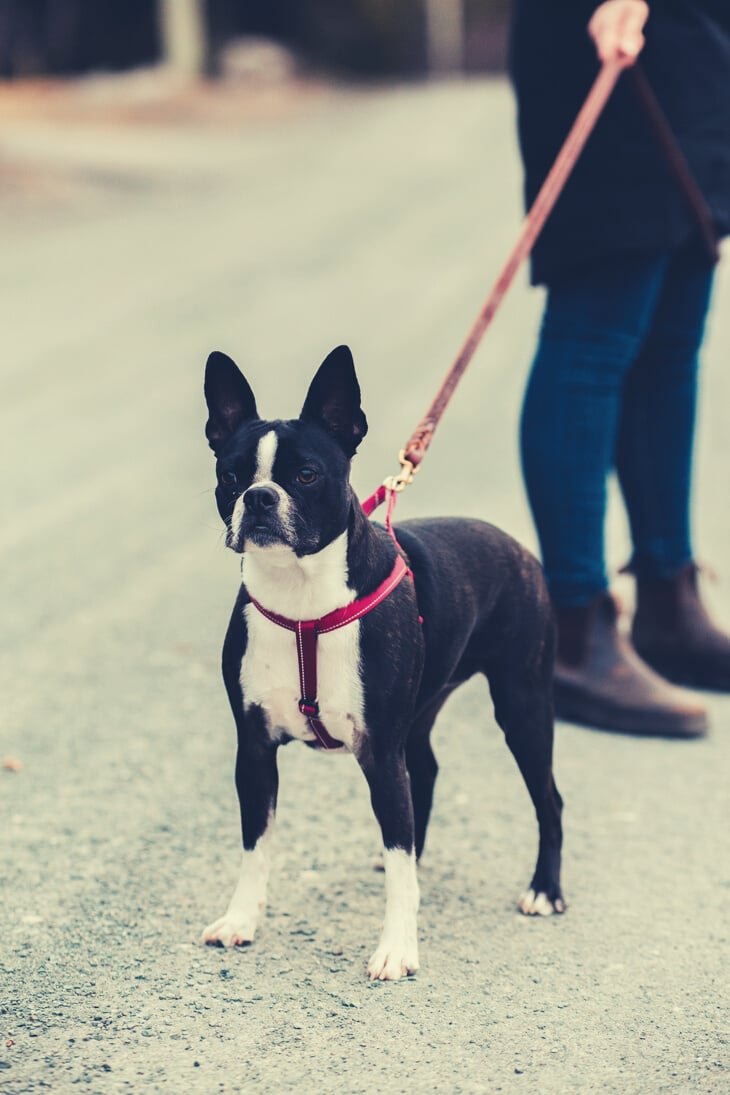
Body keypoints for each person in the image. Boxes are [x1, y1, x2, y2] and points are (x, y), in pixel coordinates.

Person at [508, 0, 730, 735]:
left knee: (671, 340)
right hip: (608, 34)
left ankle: (668, 602)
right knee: (594, 335)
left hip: (696, 46)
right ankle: (573, 631)